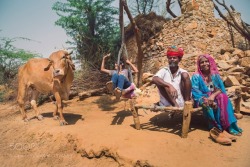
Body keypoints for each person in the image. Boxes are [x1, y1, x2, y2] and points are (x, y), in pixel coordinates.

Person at [191, 54, 242, 144]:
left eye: (206, 61)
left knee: (222, 97)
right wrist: (206, 99)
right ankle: (217, 129)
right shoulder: (196, 76)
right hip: (200, 98)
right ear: (199, 65)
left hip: (210, 96)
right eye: (202, 62)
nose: (204, 64)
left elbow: (217, 89)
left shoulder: (213, 76)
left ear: (210, 62)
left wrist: (212, 96)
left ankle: (227, 127)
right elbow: (195, 92)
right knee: (206, 103)